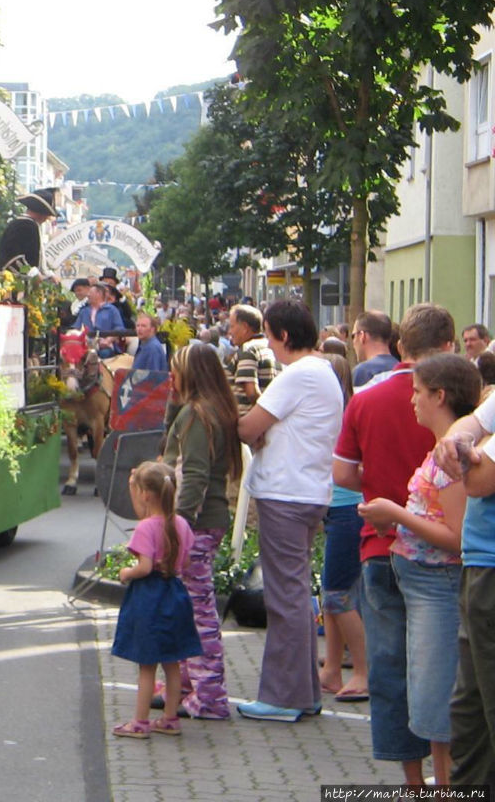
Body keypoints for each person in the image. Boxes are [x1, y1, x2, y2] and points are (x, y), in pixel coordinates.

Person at [333, 302, 455, 783]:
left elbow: (342, 472)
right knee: (442, 669)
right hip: (445, 552)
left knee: (390, 668)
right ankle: (446, 779)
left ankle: (412, 782)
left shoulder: (367, 399)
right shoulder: (459, 403)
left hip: (380, 545)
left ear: (401, 345)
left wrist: (380, 485)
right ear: (448, 346)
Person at [358, 352, 479, 786]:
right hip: (420, 581)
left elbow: (458, 538)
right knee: (424, 690)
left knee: (435, 695)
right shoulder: (442, 449)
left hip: (437, 585)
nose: (411, 401)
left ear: (440, 396)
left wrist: (395, 515)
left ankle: (447, 789)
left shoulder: (452, 460)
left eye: (418, 392)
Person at [236, 299, 344, 722]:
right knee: (295, 594)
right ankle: (302, 692)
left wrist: (255, 429)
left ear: (282, 336)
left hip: (286, 493)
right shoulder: (322, 371)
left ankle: (283, 696)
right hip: (307, 491)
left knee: (285, 599)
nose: (268, 343)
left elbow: (248, 427)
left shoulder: (297, 375)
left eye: (268, 334)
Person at [160, 342, 240, 720]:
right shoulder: (212, 410)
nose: (170, 377)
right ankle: (191, 685)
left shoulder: (196, 415)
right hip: (208, 520)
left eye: (175, 370)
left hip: (197, 523)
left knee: (199, 610)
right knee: (192, 606)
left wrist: (179, 526)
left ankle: (209, 695)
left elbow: (193, 475)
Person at [110, 461, 202, 738]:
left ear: (146, 495)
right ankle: (170, 718)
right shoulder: (181, 524)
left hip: (149, 596)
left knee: (147, 664)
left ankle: (139, 723)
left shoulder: (146, 528)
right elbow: (185, 563)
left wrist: (126, 573)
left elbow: (145, 567)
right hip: (175, 594)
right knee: (172, 662)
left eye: (137, 490)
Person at [434, 368, 495, 787]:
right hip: (480, 564)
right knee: (470, 712)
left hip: (490, 571)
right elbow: (468, 427)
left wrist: (463, 449)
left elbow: (477, 479)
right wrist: (458, 441)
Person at [316, 351, 370, 704]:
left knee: (338, 593)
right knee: (331, 594)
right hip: (334, 508)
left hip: (347, 506)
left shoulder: (344, 415)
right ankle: (332, 668)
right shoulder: (333, 413)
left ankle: (364, 672)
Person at [225, 303, 276, 417]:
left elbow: (252, 392)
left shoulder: (248, 350)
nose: (229, 332)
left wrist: (260, 419)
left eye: (232, 326)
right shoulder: (268, 347)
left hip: (246, 420)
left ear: (244, 328)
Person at [0, 188, 56, 273]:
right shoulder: (26, 225)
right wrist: (33, 274)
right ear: (42, 213)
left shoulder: (25, 224)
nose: (46, 219)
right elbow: (12, 257)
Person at [76, 283, 125, 358]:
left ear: (98, 294)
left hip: (105, 346)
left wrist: (108, 340)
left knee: (104, 354)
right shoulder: (84, 311)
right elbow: (76, 328)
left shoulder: (111, 310)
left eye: (90, 293)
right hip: (86, 346)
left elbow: (119, 328)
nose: (88, 295)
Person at [352, 310, 398, 389]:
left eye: (353, 336)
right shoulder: (400, 367)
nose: (353, 342)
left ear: (362, 336)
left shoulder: (363, 372)